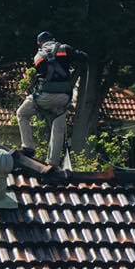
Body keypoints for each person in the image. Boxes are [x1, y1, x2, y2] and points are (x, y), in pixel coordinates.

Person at [16, 31, 88, 167]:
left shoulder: (38, 56)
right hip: (64, 97)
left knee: (22, 114)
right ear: (53, 39)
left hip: (43, 97)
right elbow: (83, 57)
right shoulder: (65, 48)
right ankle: (53, 163)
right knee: (58, 126)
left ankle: (28, 147)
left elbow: (40, 75)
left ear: (39, 43)